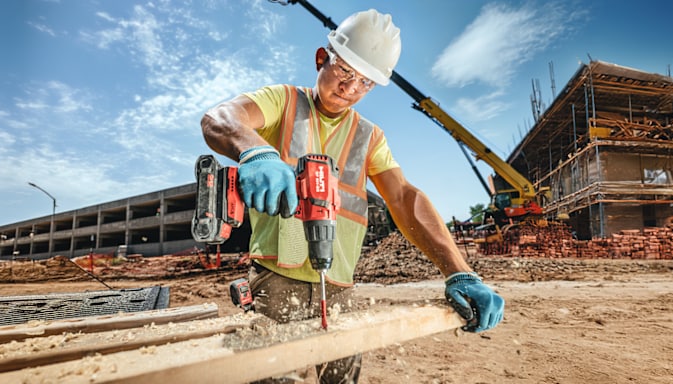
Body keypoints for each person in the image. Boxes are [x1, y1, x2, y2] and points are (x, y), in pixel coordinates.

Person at [200, 9, 504, 383]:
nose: (350, 88)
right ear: (321, 59)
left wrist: (460, 271)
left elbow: (405, 198)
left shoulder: (369, 137)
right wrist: (255, 150)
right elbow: (220, 117)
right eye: (344, 72)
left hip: (340, 289)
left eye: (365, 82)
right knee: (270, 377)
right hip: (274, 283)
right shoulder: (284, 102)